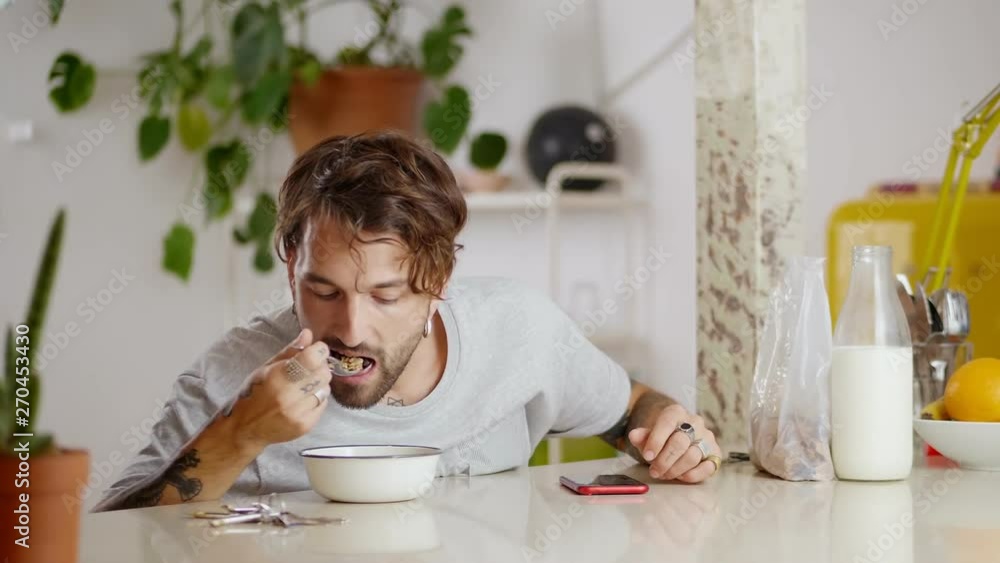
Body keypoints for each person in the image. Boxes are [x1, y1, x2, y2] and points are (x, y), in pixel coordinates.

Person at [93, 131, 722, 512]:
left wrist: (672, 434)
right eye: (323, 290)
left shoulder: (519, 329)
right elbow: (115, 538)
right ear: (290, 268)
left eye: (386, 295)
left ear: (439, 280)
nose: (351, 328)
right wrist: (240, 436)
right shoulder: (231, 376)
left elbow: (629, 409)